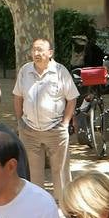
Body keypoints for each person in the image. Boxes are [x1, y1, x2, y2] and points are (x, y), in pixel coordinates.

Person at [12, 38, 79, 200]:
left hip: (56, 129)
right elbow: (18, 96)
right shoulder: (25, 71)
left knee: (60, 172)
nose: (37, 53)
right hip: (29, 131)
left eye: (41, 50)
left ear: (50, 53)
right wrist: (20, 121)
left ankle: (65, 206)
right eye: (34, 49)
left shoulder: (60, 71)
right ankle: (38, 205)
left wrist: (65, 123)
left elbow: (72, 98)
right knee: (33, 174)